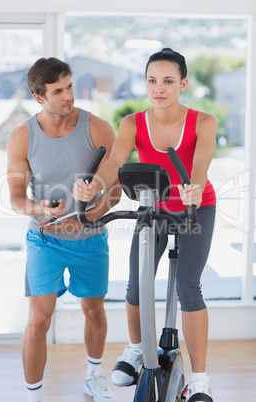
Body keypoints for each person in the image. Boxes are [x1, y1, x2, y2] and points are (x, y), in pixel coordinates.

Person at [73, 48, 217, 402]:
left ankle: (200, 379)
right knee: (136, 284)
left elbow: (200, 164)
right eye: (152, 81)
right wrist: (93, 184)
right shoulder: (132, 123)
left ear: (182, 84)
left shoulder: (203, 121)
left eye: (168, 81)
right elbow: (116, 162)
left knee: (188, 285)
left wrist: (194, 188)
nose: (159, 88)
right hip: (152, 207)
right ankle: (137, 348)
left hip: (195, 206)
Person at [6, 57, 121, 402]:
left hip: (90, 238)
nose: (68, 95)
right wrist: (39, 208)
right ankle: (34, 396)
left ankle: (93, 376)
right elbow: (15, 198)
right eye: (58, 91)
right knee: (39, 321)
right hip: (45, 240)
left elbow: (115, 188)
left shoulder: (97, 128)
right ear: (39, 97)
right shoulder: (22, 136)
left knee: (94, 310)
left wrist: (89, 214)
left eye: (69, 86)